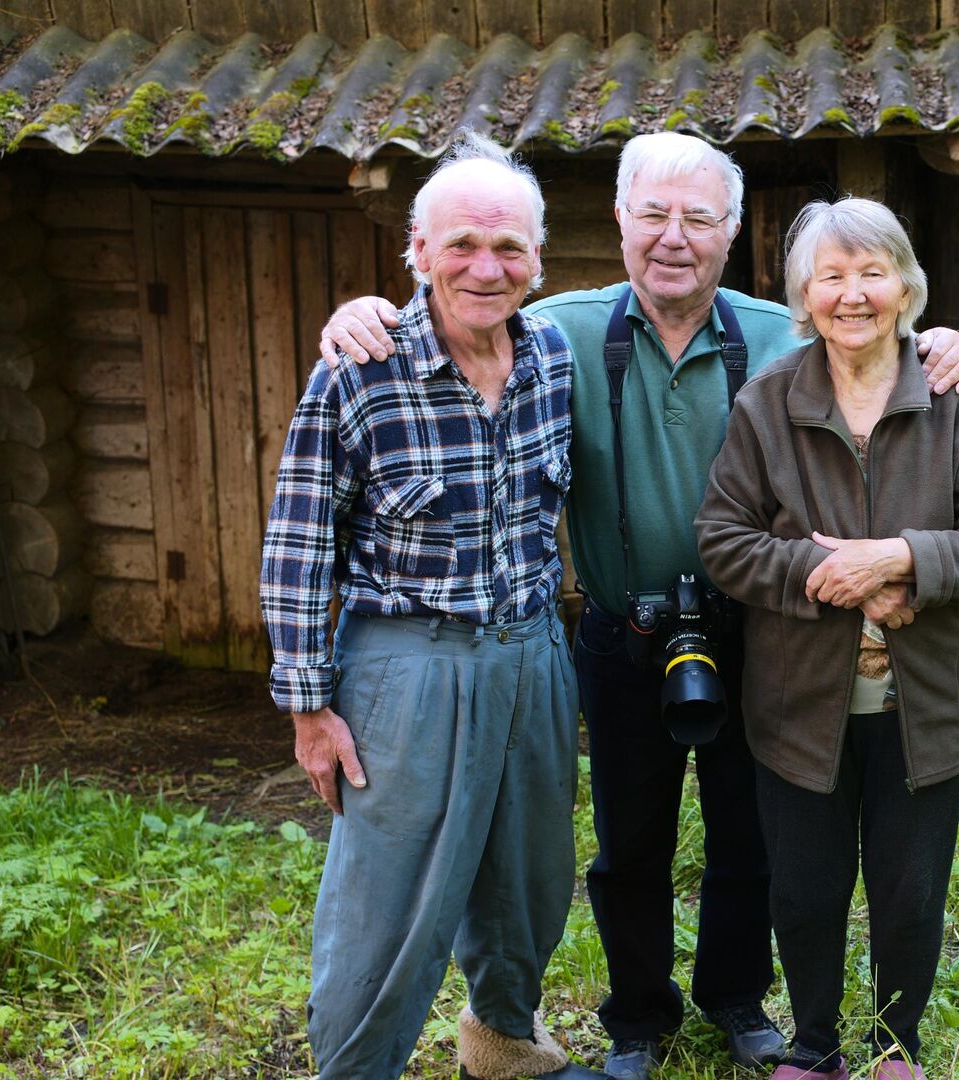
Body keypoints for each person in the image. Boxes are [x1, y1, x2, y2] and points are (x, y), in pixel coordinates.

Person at [319, 132, 959, 1079]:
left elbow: (873, 328)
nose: (675, 238)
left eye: (700, 218)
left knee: (749, 835)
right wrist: (366, 315)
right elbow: (463, 302)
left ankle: (736, 1000)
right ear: (620, 222)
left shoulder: (779, 332)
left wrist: (945, 341)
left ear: (732, 231)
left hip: (761, 628)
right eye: (655, 215)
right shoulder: (558, 329)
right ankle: (636, 1017)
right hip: (616, 631)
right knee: (626, 843)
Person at [260, 131, 605, 1080]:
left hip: (533, 656)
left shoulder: (553, 361)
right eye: (460, 245)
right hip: (408, 668)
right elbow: (297, 549)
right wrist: (309, 709)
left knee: (529, 878)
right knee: (388, 906)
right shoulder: (357, 369)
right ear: (417, 250)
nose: (485, 269)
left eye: (509, 249)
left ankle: (501, 1038)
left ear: (539, 260)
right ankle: (355, 1066)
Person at [695, 197, 959, 1080]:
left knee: (909, 891)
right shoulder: (768, 404)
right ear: (804, 294)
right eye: (831, 276)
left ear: (906, 286)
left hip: (929, 703)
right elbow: (725, 541)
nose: (853, 294)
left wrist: (895, 559)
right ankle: (813, 1048)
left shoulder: (954, 396)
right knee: (803, 892)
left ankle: (895, 1048)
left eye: (872, 273)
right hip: (802, 702)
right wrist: (832, 578)